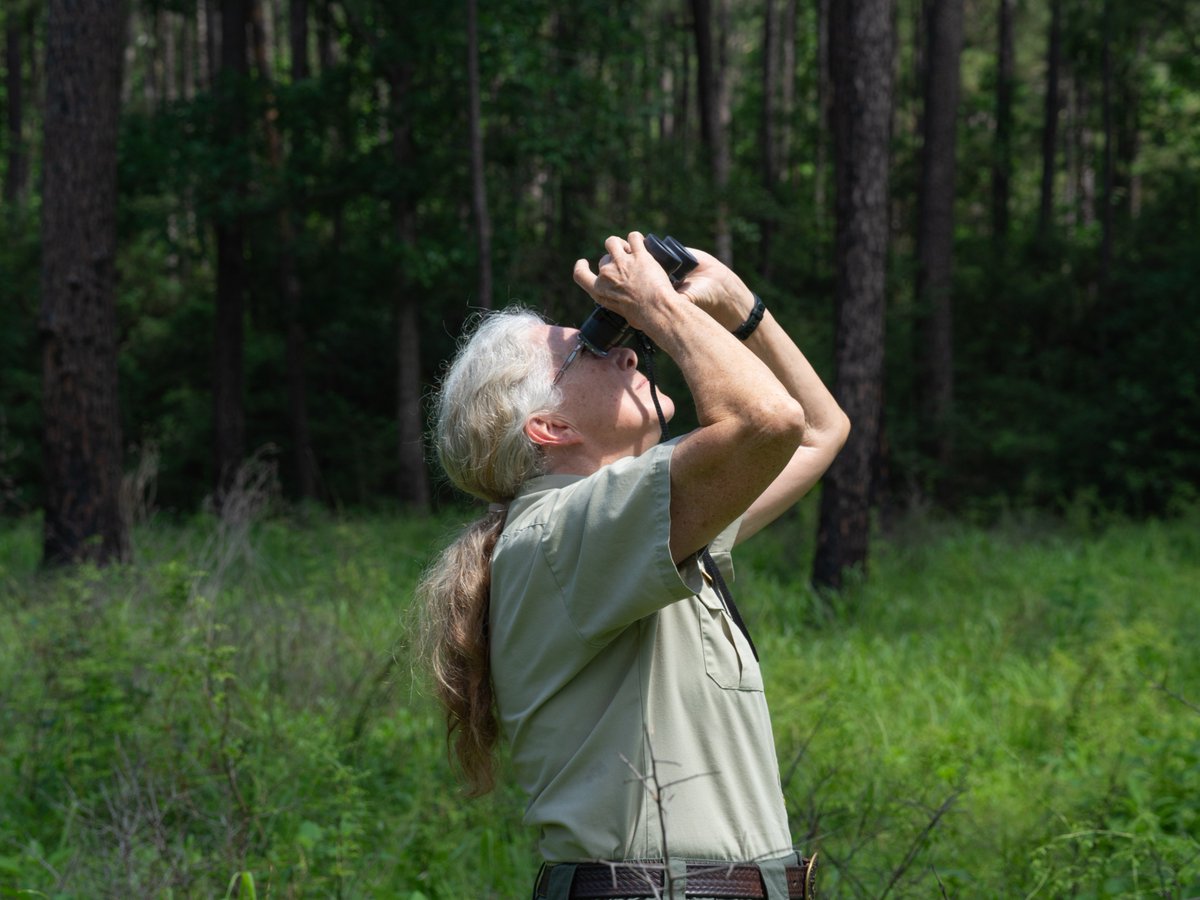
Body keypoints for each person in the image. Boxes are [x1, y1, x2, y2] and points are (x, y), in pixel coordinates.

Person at [418, 232, 850, 899]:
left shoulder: (625, 529)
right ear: (549, 427)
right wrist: (658, 307)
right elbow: (768, 422)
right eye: (591, 346)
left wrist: (742, 308)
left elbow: (819, 431)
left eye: (620, 333)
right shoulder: (563, 535)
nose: (627, 349)